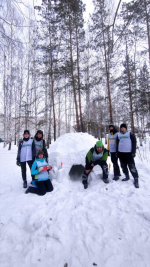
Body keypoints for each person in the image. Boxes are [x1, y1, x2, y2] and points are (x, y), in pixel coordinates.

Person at [117, 123, 139, 188]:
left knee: (131, 166)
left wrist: (133, 151)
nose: (123, 128)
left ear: (126, 128)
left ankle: (136, 179)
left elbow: (134, 142)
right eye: (121, 127)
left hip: (129, 153)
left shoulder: (130, 133)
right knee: (123, 166)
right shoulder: (119, 134)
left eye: (124, 127)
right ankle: (127, 176)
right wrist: (117, 152)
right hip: (121, 153)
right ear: (120, 128)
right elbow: (117, 143)